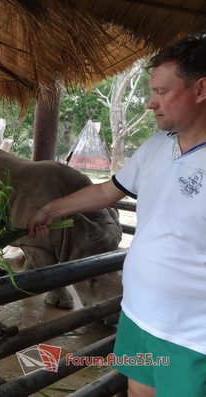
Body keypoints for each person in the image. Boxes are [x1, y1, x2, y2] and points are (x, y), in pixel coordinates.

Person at [28, 33, 206, 397]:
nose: (150, 103)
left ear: (201, 89)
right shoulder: (157, 145)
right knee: (136, 392)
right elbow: (107, 191)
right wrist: (51, 207)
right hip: (139, 316)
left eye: (162, 92)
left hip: (192, 335)